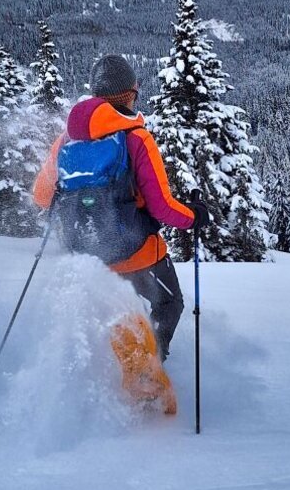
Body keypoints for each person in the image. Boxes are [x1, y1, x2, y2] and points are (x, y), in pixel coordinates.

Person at [32, 55, 210, 361]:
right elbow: (163, 208)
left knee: (110, 311)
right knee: (170, 304)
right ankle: (150, 361)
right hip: (136, 254)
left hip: (88, 257)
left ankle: (113, 360)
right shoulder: (137, 139)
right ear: (129, 94)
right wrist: (195, 216)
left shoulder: (66, 141)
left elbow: (41, 196)